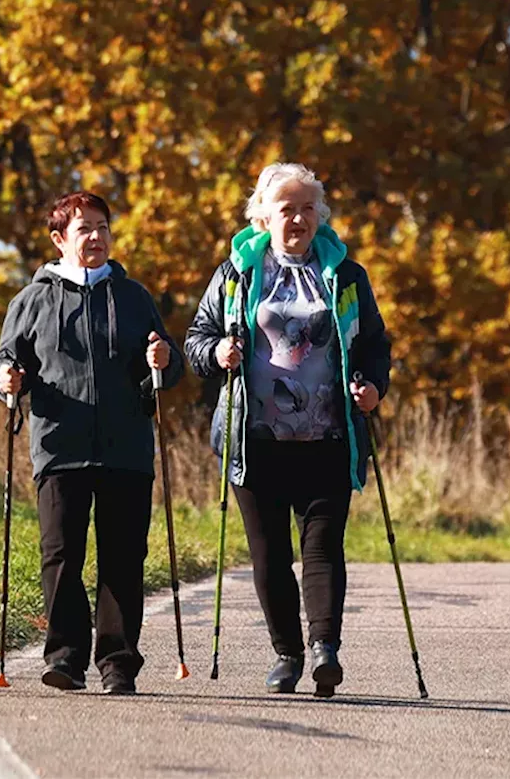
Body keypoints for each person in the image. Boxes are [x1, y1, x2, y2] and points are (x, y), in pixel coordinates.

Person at [184, 163, 391, 697]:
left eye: (307, 208)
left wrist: (372, 387)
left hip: (329, 435)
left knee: (323, 547)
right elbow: (197, 340)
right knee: (270, 554)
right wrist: (217, 352)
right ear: (263, 215)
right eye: (286, 209)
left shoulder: (347, 276)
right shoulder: (237, 274)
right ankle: (287, 654)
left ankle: (325, 649)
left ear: (319, 215)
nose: (297, 218)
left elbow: (373, 345)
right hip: (257, 440)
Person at [0, 191, 185, 695]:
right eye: (84, 229)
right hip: (59, 444)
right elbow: (4, 362)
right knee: (60, 554)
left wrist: (163, 360)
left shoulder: (134, 297)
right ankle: (65, 658)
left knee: (122, 557)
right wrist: (7, 380)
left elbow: (169, 366)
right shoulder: (31, 301)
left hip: (126, 448)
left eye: (102, 227)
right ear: (59, 240)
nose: (96, 237)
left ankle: (118, 663)